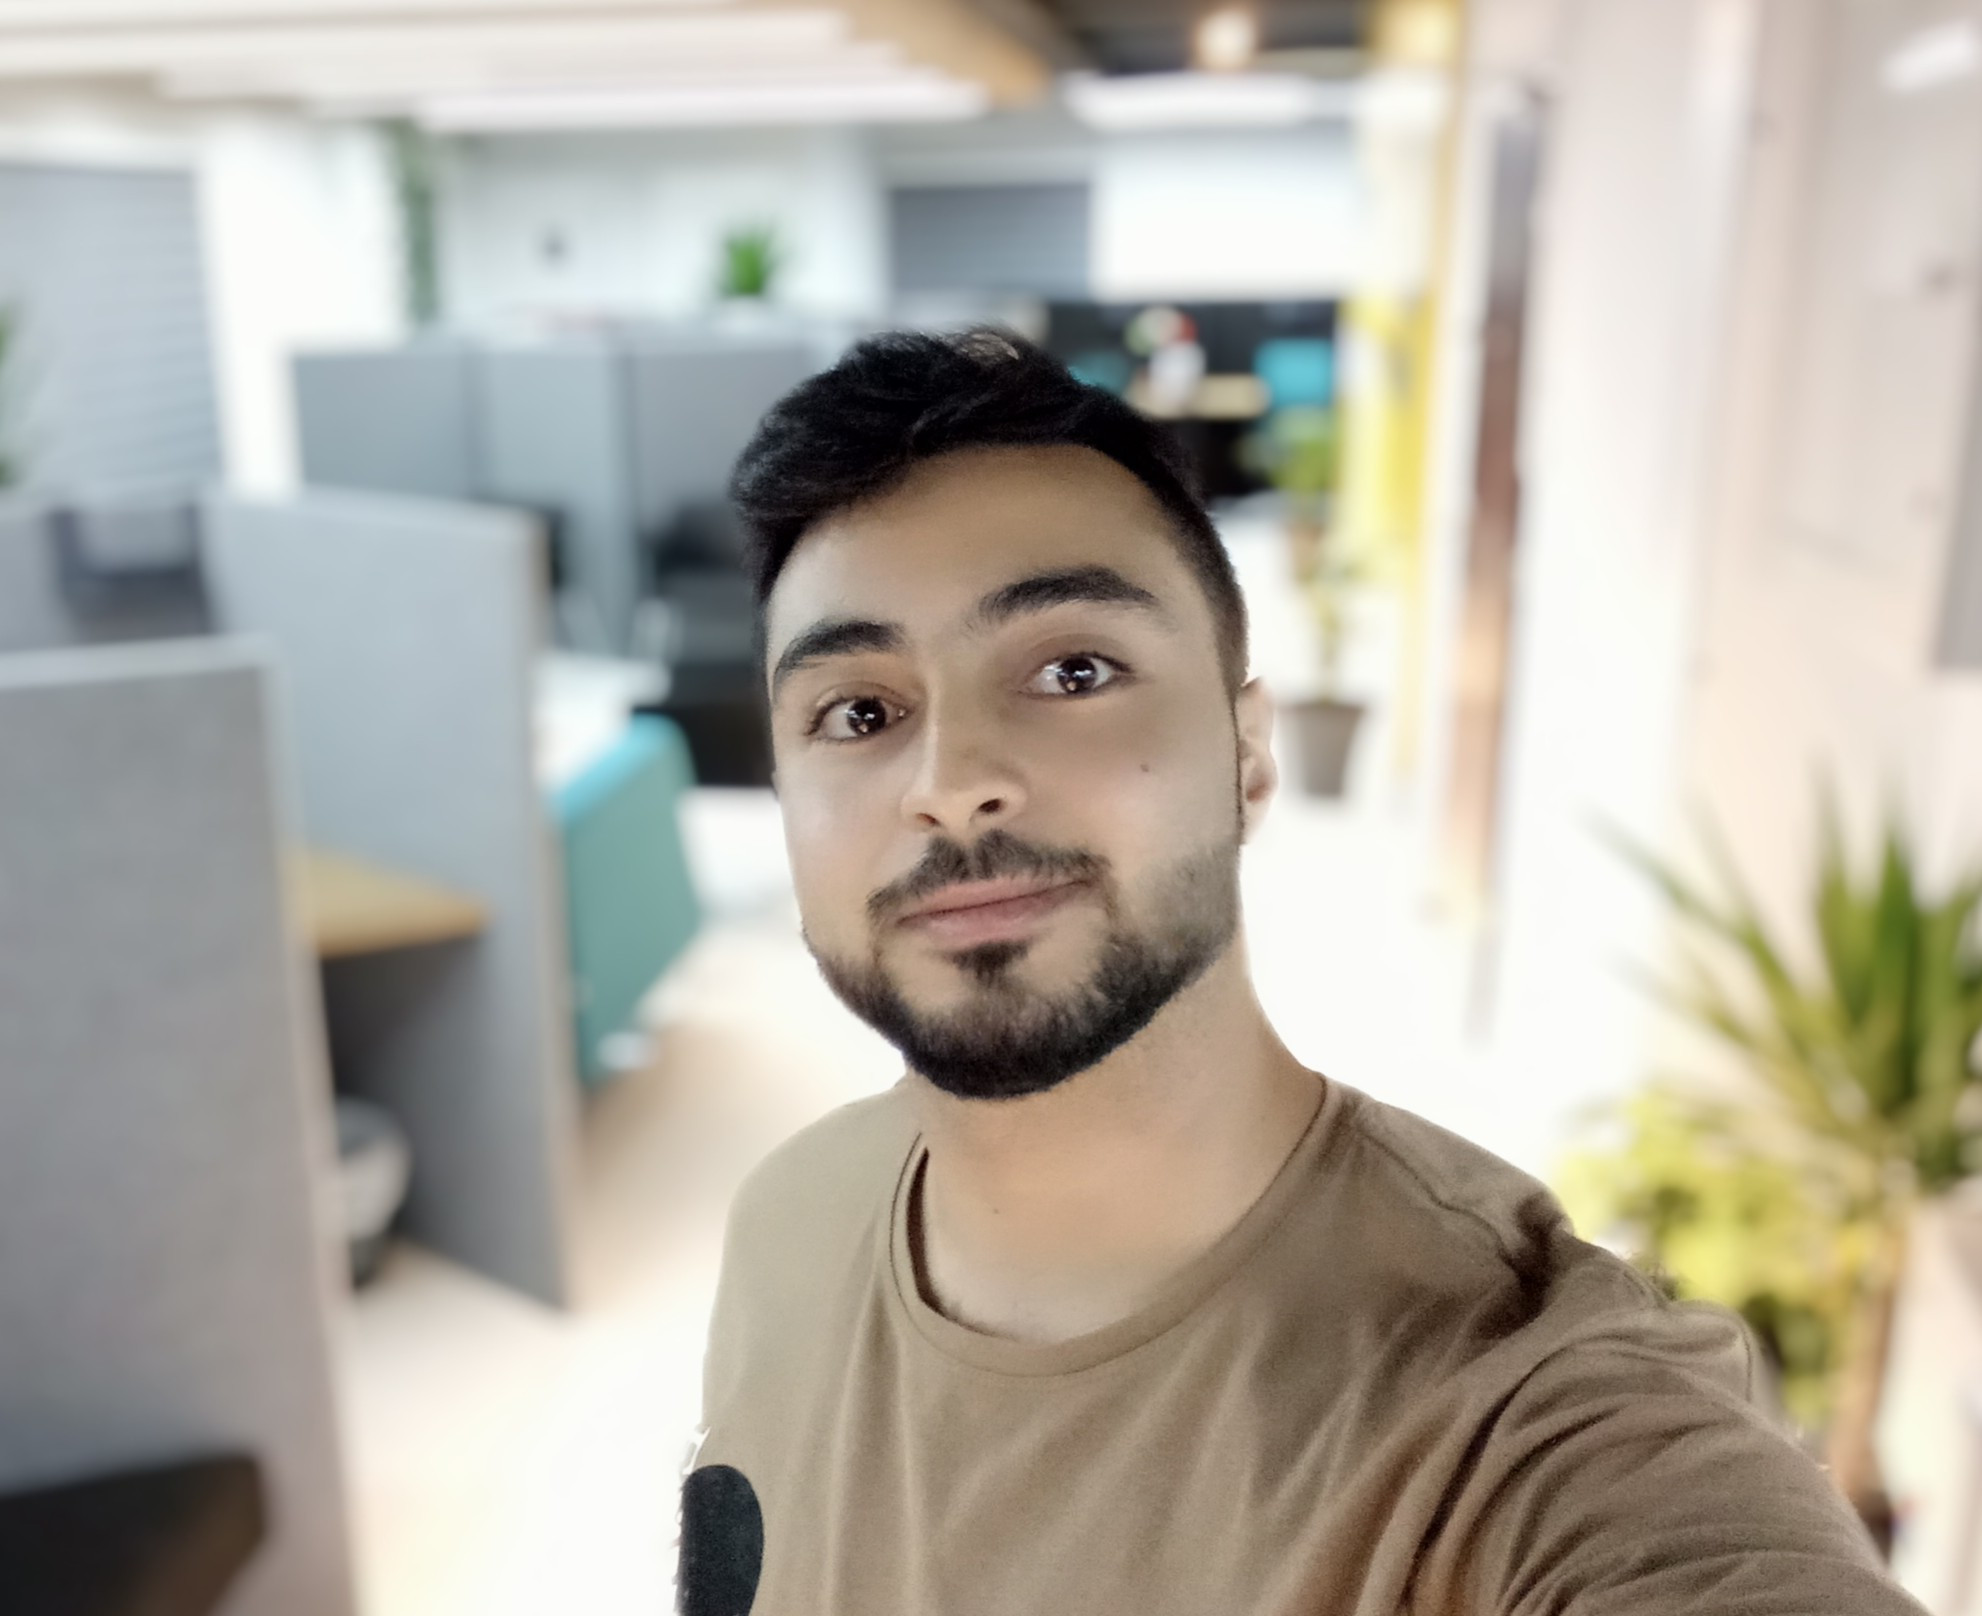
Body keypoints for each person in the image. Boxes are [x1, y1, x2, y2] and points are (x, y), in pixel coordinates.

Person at [677, 327, 1920, 1616]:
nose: (951, 784)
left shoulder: (1522, 1420)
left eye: (1071, 670)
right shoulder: (790, 1224)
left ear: (1249, 755)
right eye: (859, 713)